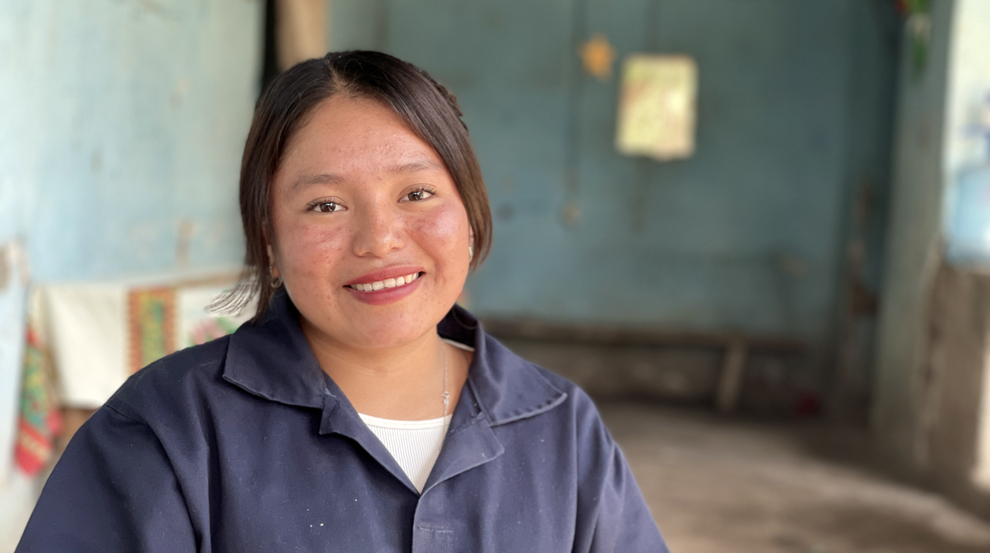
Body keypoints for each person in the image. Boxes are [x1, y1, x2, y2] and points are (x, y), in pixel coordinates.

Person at [16, 51, 668, 552]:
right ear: (268, 240)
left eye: (416, 193)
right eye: (325, 205)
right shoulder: (167, 431)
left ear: (469, 211)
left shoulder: (558, 429)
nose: (379, 240)